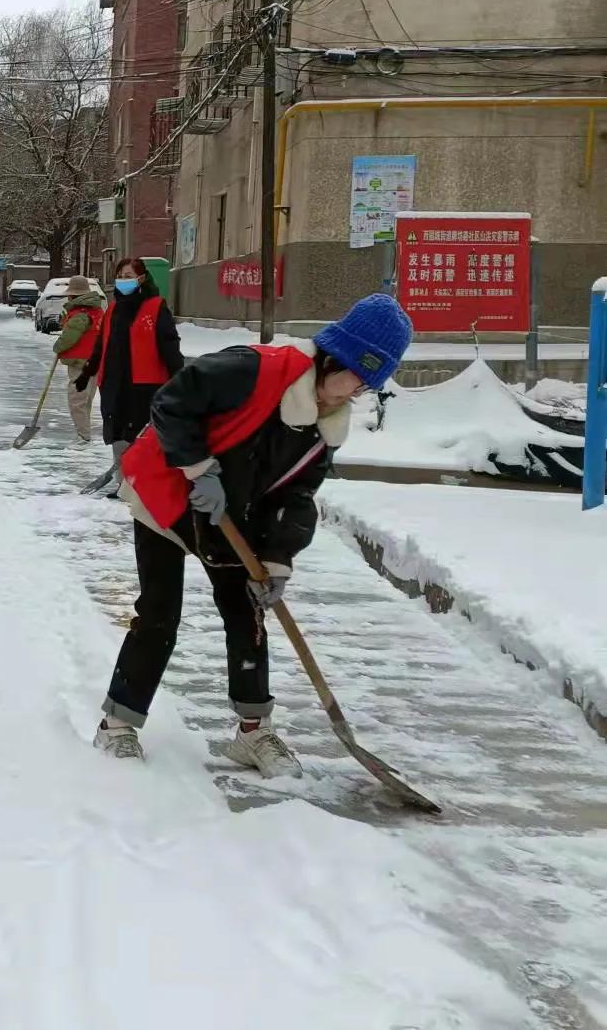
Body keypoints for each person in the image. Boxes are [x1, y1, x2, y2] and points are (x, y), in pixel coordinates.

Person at [93, 293, 413, 775]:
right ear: (334, 357)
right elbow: (172, 403)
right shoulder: (253, 369)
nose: (355, 393)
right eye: (357, 378)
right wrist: (199, 468)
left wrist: (278, 560)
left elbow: (297, 497)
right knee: (160, 613)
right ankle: (117, 725)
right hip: (164, 495)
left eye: (367, 387)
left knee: (247, 612)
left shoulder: (326, 427)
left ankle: (253, 731)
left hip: (229, 516)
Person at [78, 256, 184, 460]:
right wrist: (87, 372)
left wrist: (179, 379)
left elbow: (170, 346)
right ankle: (123, 481)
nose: (123, 280)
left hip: (144, 386)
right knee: (116, 433)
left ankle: (138, 483)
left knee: (140, 435)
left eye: (128, 276)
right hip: (113, 383)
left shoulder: (155, 307)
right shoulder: (112, 310)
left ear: (141, 278)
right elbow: (101, 345)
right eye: (119, 276)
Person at [52, 276, 106, 442]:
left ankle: (83, 435)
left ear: (72, 296)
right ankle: (84, 433)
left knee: (77, 401)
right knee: (86, 400)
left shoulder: (80, 315)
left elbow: (69, 338)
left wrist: (58, 346)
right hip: (95, 363)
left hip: (80, 363)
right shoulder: (97, 312)